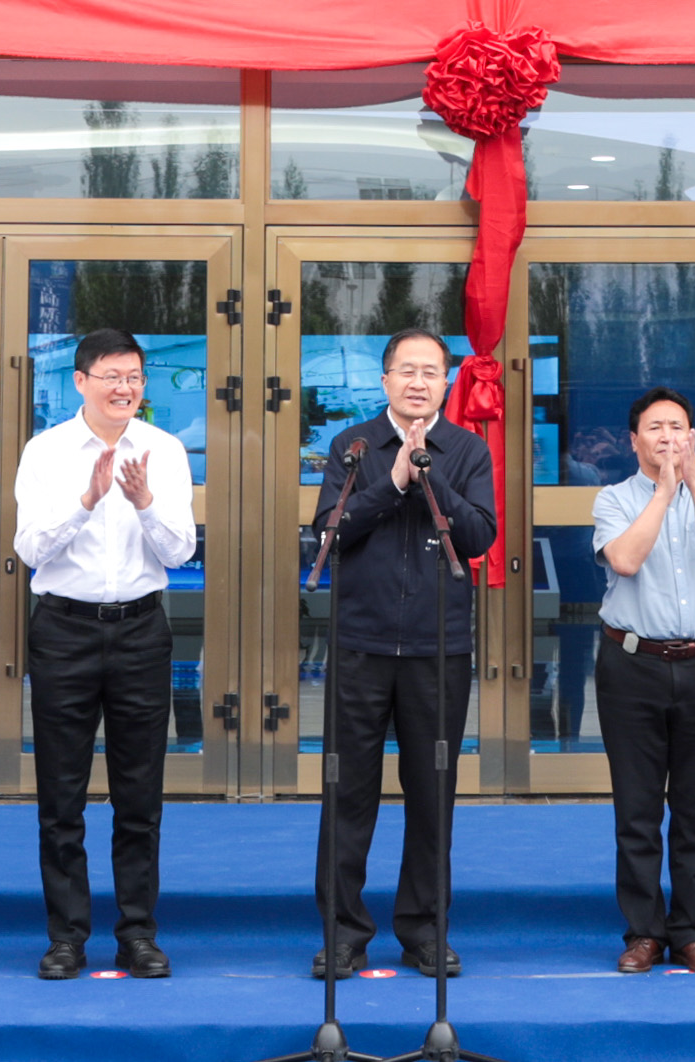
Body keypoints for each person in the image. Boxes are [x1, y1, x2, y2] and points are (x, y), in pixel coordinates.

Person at [308, 327, 499, 979]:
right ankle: (342, 933)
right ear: (385, 379)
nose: (418, 382)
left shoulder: (467, 450)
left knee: (432, 792)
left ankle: (424, 930)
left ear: (446, 382)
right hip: (360, 646)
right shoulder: (353, 445)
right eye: (406, 370)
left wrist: (429, 478)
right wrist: (391, 482)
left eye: (430, 371)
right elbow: (328, 534)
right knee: (347, 792)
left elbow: (478, 536)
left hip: (437, 649)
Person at [14, 328, 198, 979]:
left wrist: (144, 503)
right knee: (60, 796)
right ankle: (66, 937)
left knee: (139, 795)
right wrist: (86, 501)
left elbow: (180, 551)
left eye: (134, 377)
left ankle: (137, 933)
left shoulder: (163, 449)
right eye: (112, 376)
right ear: (81, 381)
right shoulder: (46, 451)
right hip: (63, 631)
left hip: (140, 630)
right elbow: (30, 549)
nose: (125, 388)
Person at [591, 387, 695, 973]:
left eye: (677, 427)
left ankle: (690, 933)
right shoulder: (612, 498)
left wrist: (694, 486)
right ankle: (643, 933)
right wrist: (662, 492)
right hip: (632, 666)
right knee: (637, 810)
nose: (667, 437)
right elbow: (625, 560)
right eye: (654, 428)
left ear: (692, 437)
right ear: (634, 441)